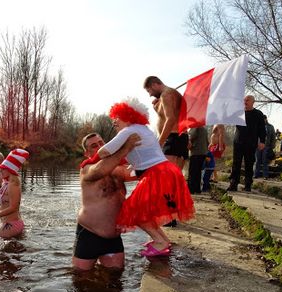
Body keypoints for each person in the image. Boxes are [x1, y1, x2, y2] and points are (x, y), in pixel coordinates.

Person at [97, 98, 195, 257]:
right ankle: (163, 240)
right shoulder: (144, 129)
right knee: (145, 211)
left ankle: (160, 242)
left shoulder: (128, 131)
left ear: (128, 117)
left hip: (157, 174)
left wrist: (98, 159)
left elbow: (103, 152)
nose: (114, 122)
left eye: (117, 118)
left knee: (134, 210)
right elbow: (142, 155)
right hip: (167, 171)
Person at [73, 132, 141, 271]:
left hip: (113, 239)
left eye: (101, 143)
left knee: (115, 278)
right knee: (81, 280)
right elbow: (99, 170)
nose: (99, 147)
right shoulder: (86, 169)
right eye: (94, 146)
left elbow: (143, 172)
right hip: (89, 235)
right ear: (87, 153)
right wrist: (125, 148)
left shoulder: (119, 170)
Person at [143, 76, 187, 170]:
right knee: (175, 177)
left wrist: (159, 143)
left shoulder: (166, 94)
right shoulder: (169, 94)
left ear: (154, 85)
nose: (150, 95)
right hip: (179, 138)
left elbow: (170, 119)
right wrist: (157, 108)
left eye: (149, 91)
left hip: (173, 138)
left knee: (167, 175)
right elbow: (172, 116)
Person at [227, 95, 266, 192]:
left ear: (253, 102)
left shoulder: (258, 114)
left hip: (251, 143)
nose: (245, 101)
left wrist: (262, 141)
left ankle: (248, 184)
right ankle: (233, 183)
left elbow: (262, 129)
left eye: (247, 100)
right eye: (244, 100)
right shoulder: (239, 113)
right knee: (236, 163)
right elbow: (228, 116)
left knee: (249, 163)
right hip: (238, 142)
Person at [187, 126, 209, 194]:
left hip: (196, 152)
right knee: (198, 171)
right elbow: (207, 141)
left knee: (193, 171)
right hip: (203, 152)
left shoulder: (195, 127)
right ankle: (197, 189)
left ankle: (191, 189)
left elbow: (191, 136)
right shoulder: (204, 129)